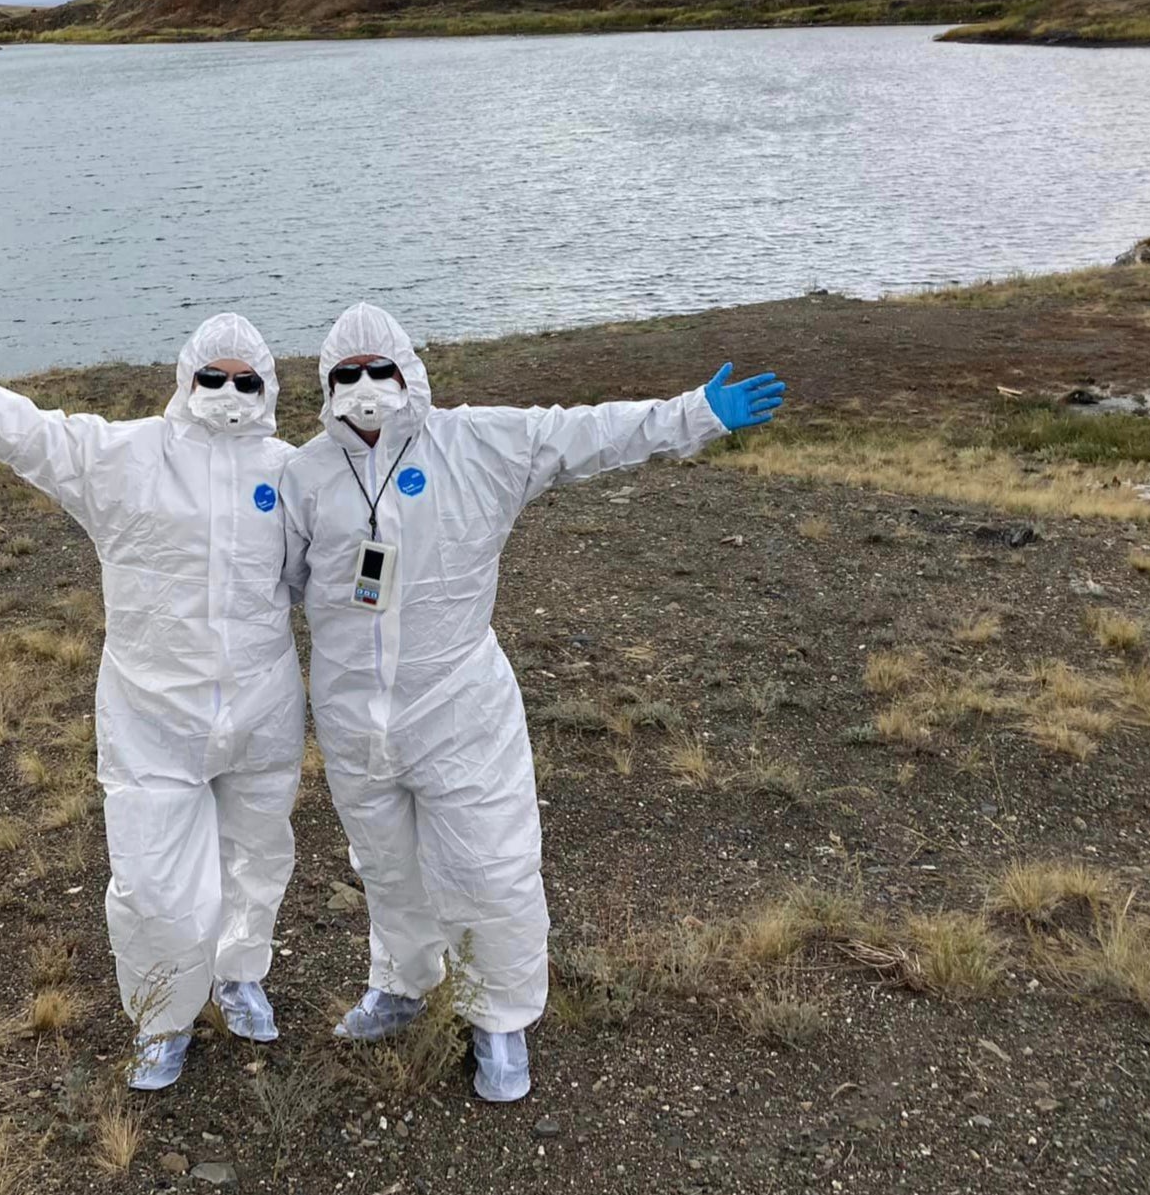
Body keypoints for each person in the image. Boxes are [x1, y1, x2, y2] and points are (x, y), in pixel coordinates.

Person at [280, 302, 786, 1102]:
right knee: (385, 864)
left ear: (411, 372)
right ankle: (403, 984)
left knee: (491, 864)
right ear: (326, 383)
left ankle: (501, 1021)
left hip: (458, 706)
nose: (367, 388)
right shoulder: (304, 474)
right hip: (351, 718)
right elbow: (279, 580)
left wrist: (692, 414)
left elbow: (585, 433)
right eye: (348, 374)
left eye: (382, 370)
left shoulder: (480, 441)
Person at [0, 309, 304, 1091]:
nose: (229, 391)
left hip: (263, 709)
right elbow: (20, 430)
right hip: (152, 713)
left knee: (256, 856)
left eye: (246, 380)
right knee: (153, 877)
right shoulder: (123, 456)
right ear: (186, 380)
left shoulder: (293, 472)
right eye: (213, 377)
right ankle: (161, 1016)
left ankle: (238, 973)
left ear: (268, 387)